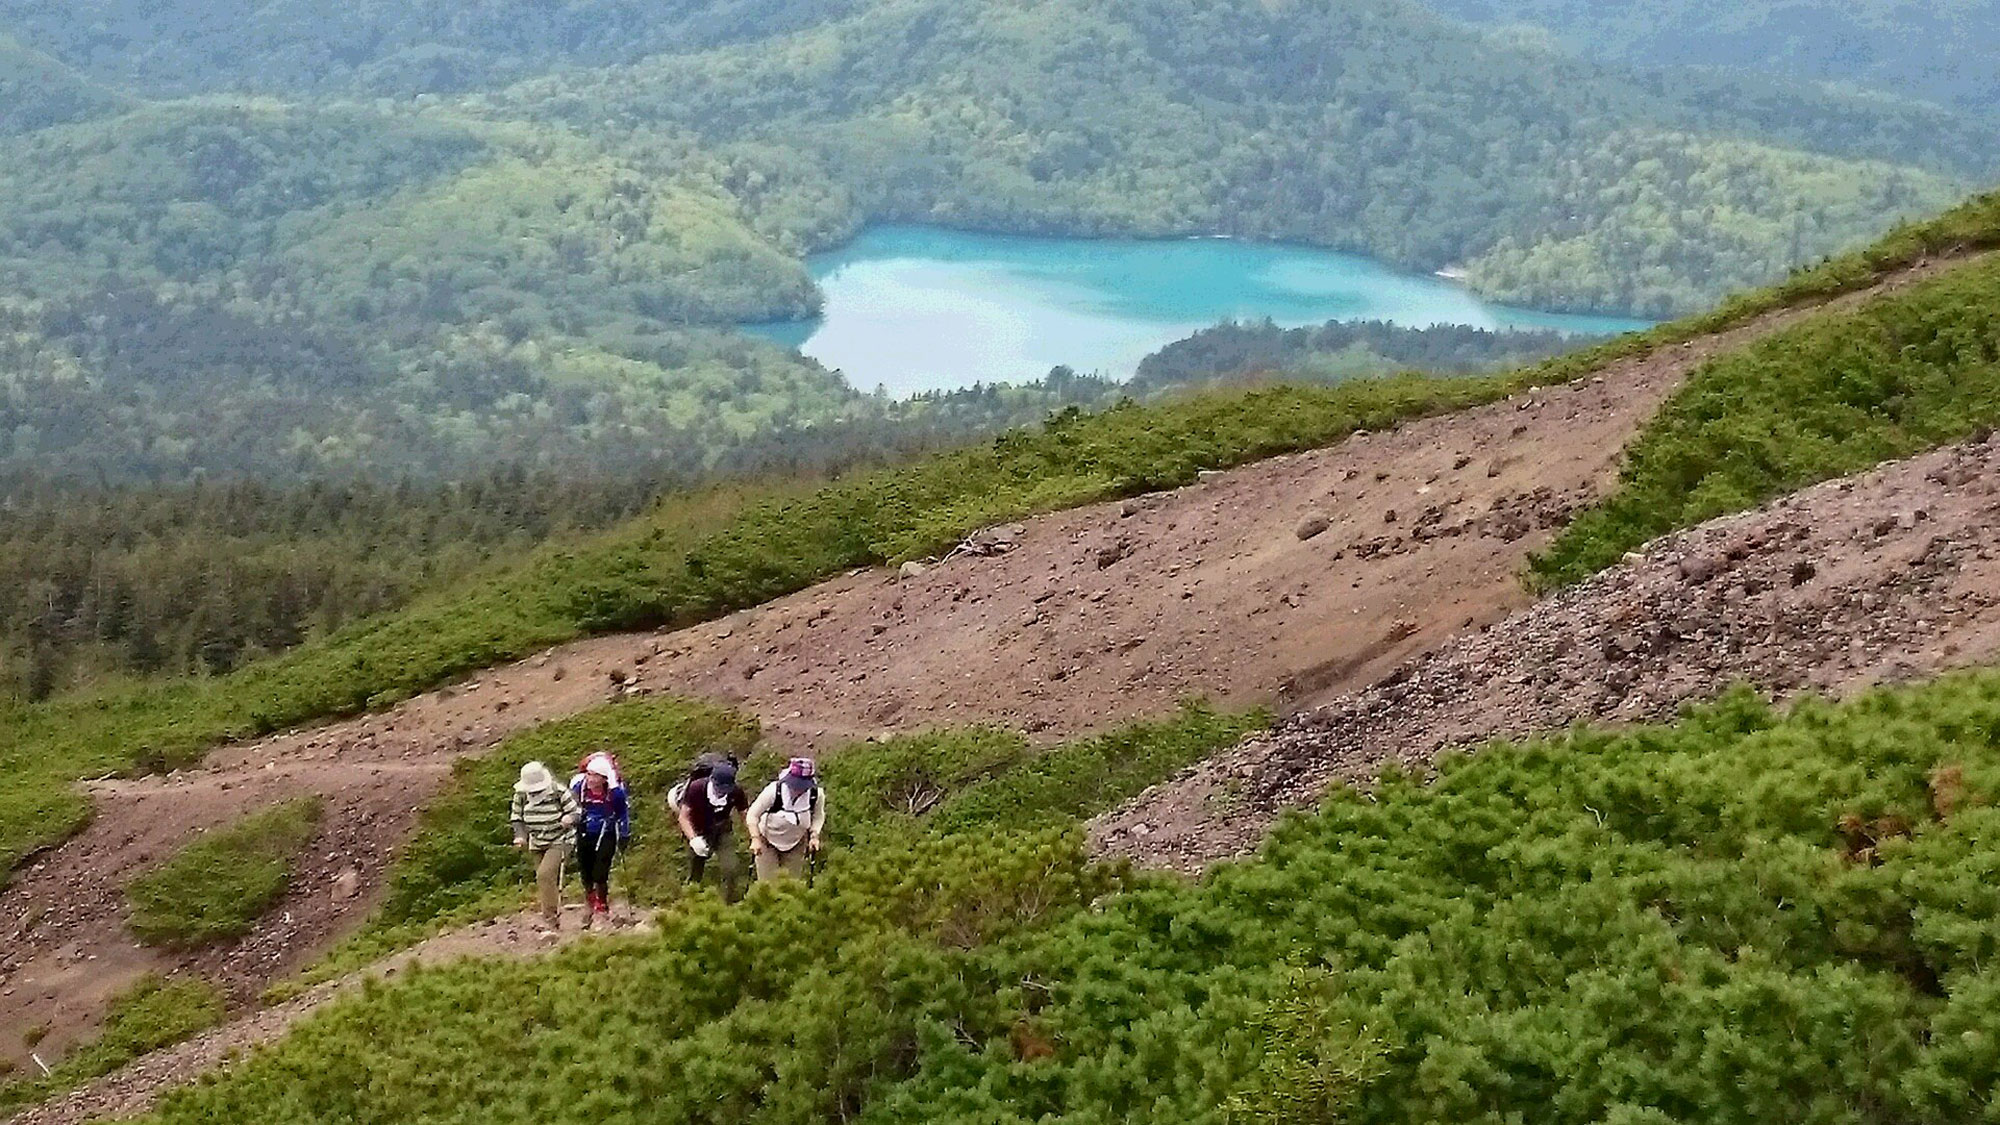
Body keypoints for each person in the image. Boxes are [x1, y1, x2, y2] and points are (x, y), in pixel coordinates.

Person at [509, 760, 580, 934]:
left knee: (545, 874)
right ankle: (553, 917)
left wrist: (569, 819)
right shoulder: (521, 795)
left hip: (560, 839)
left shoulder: (558, 792)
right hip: (536, 841)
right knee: (544, 880)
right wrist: (520, 836)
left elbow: (576, 811)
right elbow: (517, 818)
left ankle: (549, 919)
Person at [672, 755, 749, 902]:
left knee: (731, 868)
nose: (722, 792)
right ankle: (690, 902)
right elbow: (684, 816)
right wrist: (694, 840)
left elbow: (744, 814)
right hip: (697, 829)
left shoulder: (736, 792)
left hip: (722, 830)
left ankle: (729, 903)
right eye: (719, 788)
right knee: (695, 869)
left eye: (726, 789)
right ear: (712, 781)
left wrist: (754, 837)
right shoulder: (696, 788)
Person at [569, 751, 630, 929]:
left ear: (604, 778)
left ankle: (601, 905)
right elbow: (572, 807)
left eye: (595, 776)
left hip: (607, 832)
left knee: (601, 870)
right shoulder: (579, 787)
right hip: (585, 830)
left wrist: (624, 834)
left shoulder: (615, 793)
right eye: (589, 774)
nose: (591, 779)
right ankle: (590, 900)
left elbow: (622, 813)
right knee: (585, 868)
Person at [748, 757, 825, 882]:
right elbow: (752, 814)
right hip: (767, 841)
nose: (798, 789)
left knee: (790, 884)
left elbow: (818, 816)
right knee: (768, 884)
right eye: (795, 785)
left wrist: (814, 836)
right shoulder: (774, 791)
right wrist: (755, 839)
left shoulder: (816, 795)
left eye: (802, 786)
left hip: (796, 842)